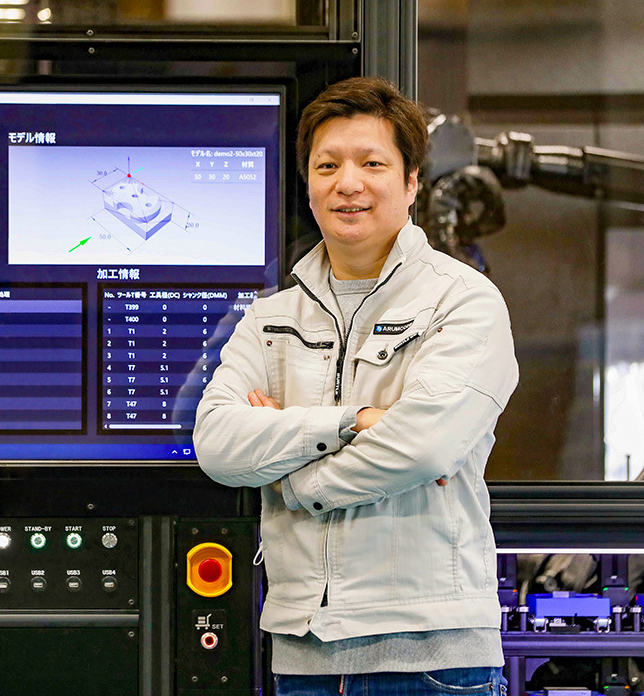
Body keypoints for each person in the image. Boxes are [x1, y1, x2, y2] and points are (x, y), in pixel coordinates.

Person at [193, 76, 518, 695]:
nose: (349, 183)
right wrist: (351, 421)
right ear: (308, 183)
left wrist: (287, 475)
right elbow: (216, 444)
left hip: (431, 660)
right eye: (327, 164)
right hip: (303, 657)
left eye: (373, 163)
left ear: (412, 181)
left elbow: (420, 448)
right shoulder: (271, 316)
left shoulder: (464, 301)